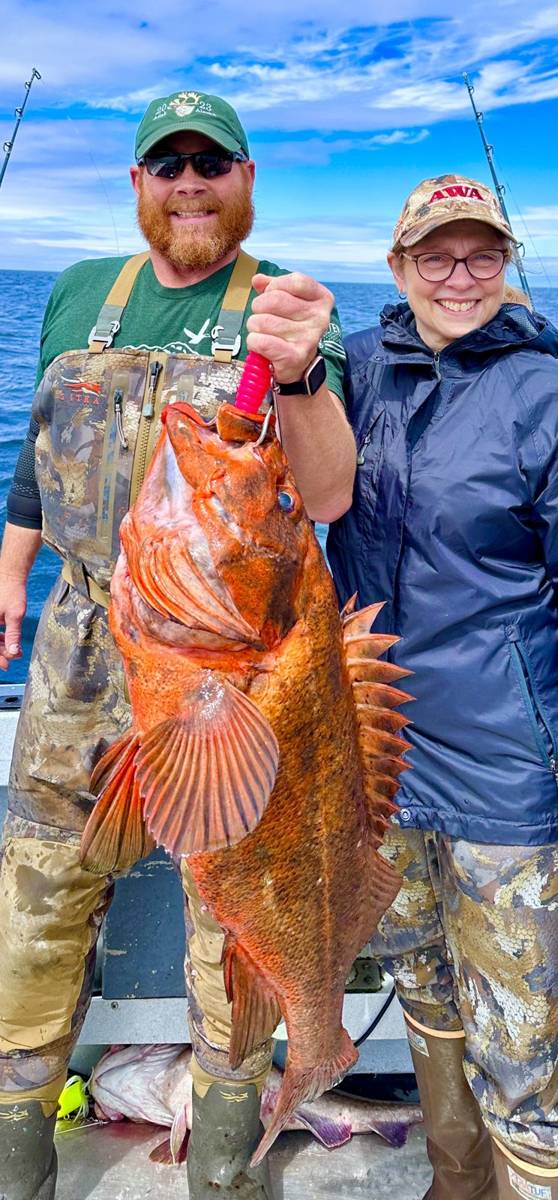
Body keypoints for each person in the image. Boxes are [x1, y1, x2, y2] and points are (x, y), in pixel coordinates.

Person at [0, 90, 354, 1200]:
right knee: (40, 899)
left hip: (227, 663)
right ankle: (18, 1159)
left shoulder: (285, 310)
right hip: (81, 647)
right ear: (139, 185)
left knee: (229, 912)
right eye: (169, 165)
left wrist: (293, 376)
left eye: (213, 163)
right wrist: (10, 572)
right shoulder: (72, 294)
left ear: (248, 180)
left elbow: (329, 490)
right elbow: (37, 455)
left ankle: (227, 1165)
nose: (190, 182)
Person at [327, 173, 558, 1199]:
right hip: (378, 756)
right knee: (418, 974)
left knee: (523, 1021)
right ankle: (456, 1177)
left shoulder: (544, 388)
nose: (460, 277)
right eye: (436, 256)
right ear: (397, 266)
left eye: (482, 256)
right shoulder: (358, 367)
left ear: (506, 265)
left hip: (505, 762)